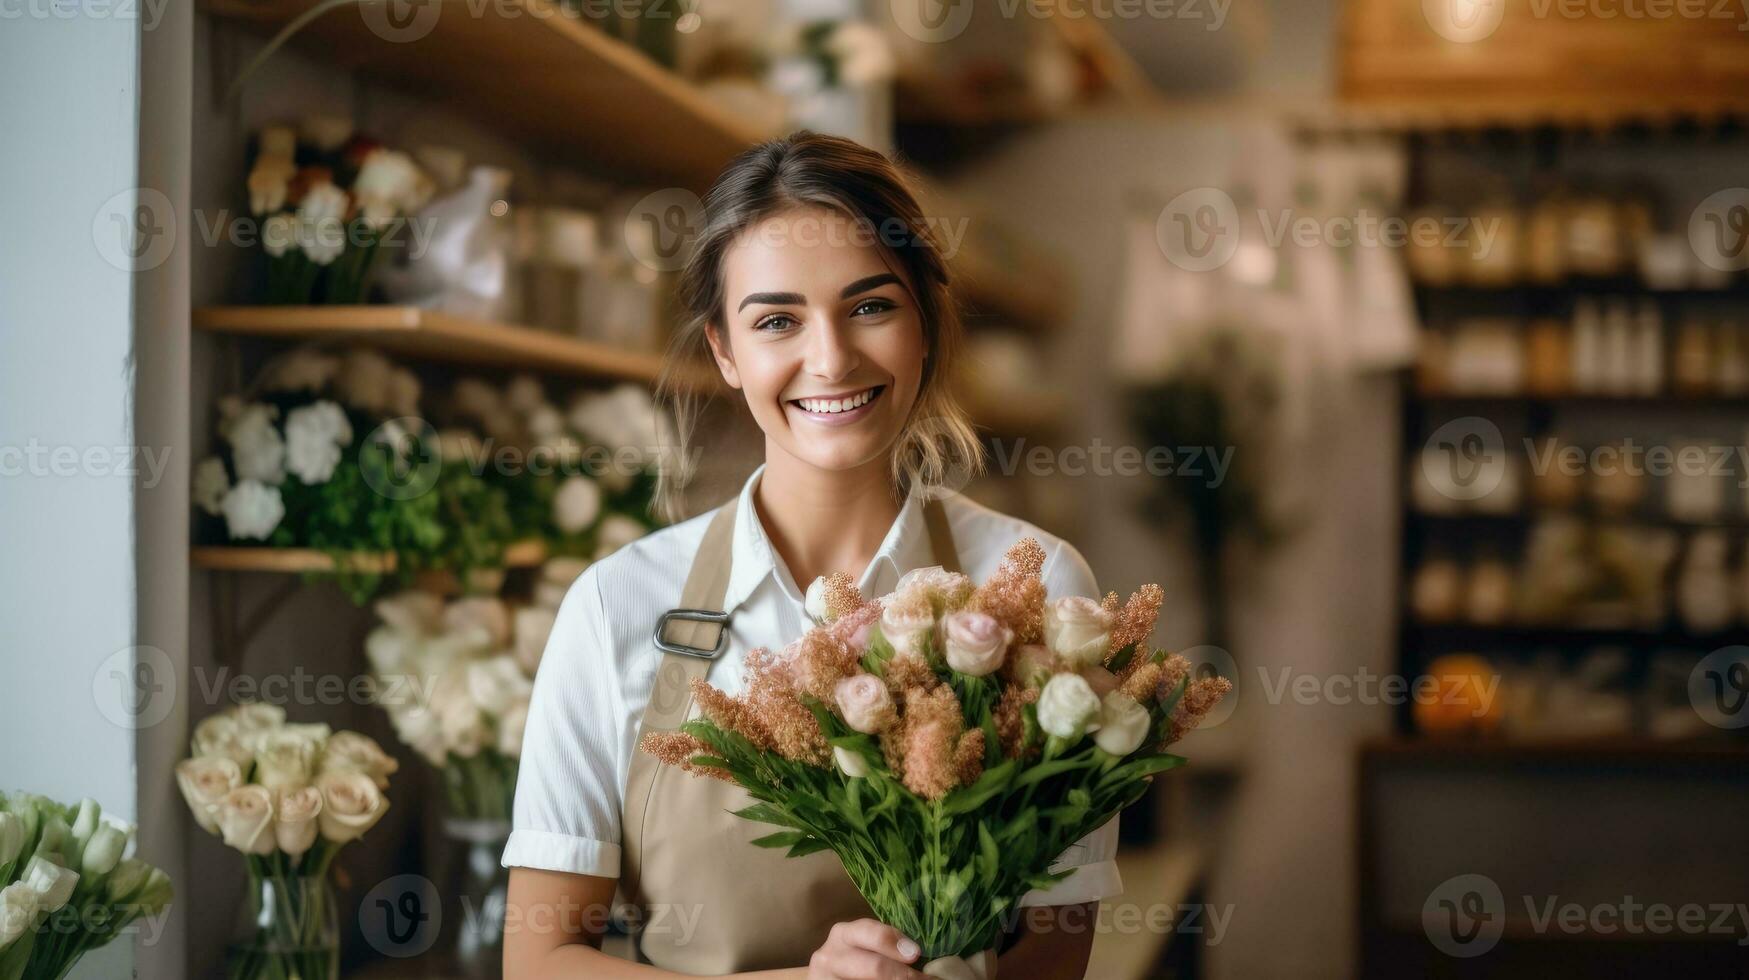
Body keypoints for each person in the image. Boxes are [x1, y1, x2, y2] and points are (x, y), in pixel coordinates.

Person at [504, 132, 1119, 980]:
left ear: (926, 325)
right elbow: (540, 961)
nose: (829, 358)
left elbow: (1056, 947)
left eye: (870, 306)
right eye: (777, 321)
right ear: (725, 350)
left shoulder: (1039, 586)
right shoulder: (618, 605)